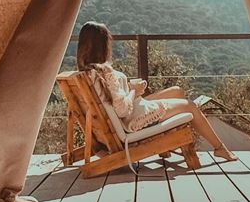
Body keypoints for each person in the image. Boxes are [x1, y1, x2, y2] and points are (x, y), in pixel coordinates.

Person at [76, 20, 237, 161]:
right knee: (189, 106)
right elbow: (122, 110)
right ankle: (219, 148)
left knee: (177, 91)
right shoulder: (106, 73)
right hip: (133, 120)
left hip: (131, 112)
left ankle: (165, 149)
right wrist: (135, 91)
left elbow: (114, 103)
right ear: (103, 45)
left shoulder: (85, 73)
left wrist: (130, 90)